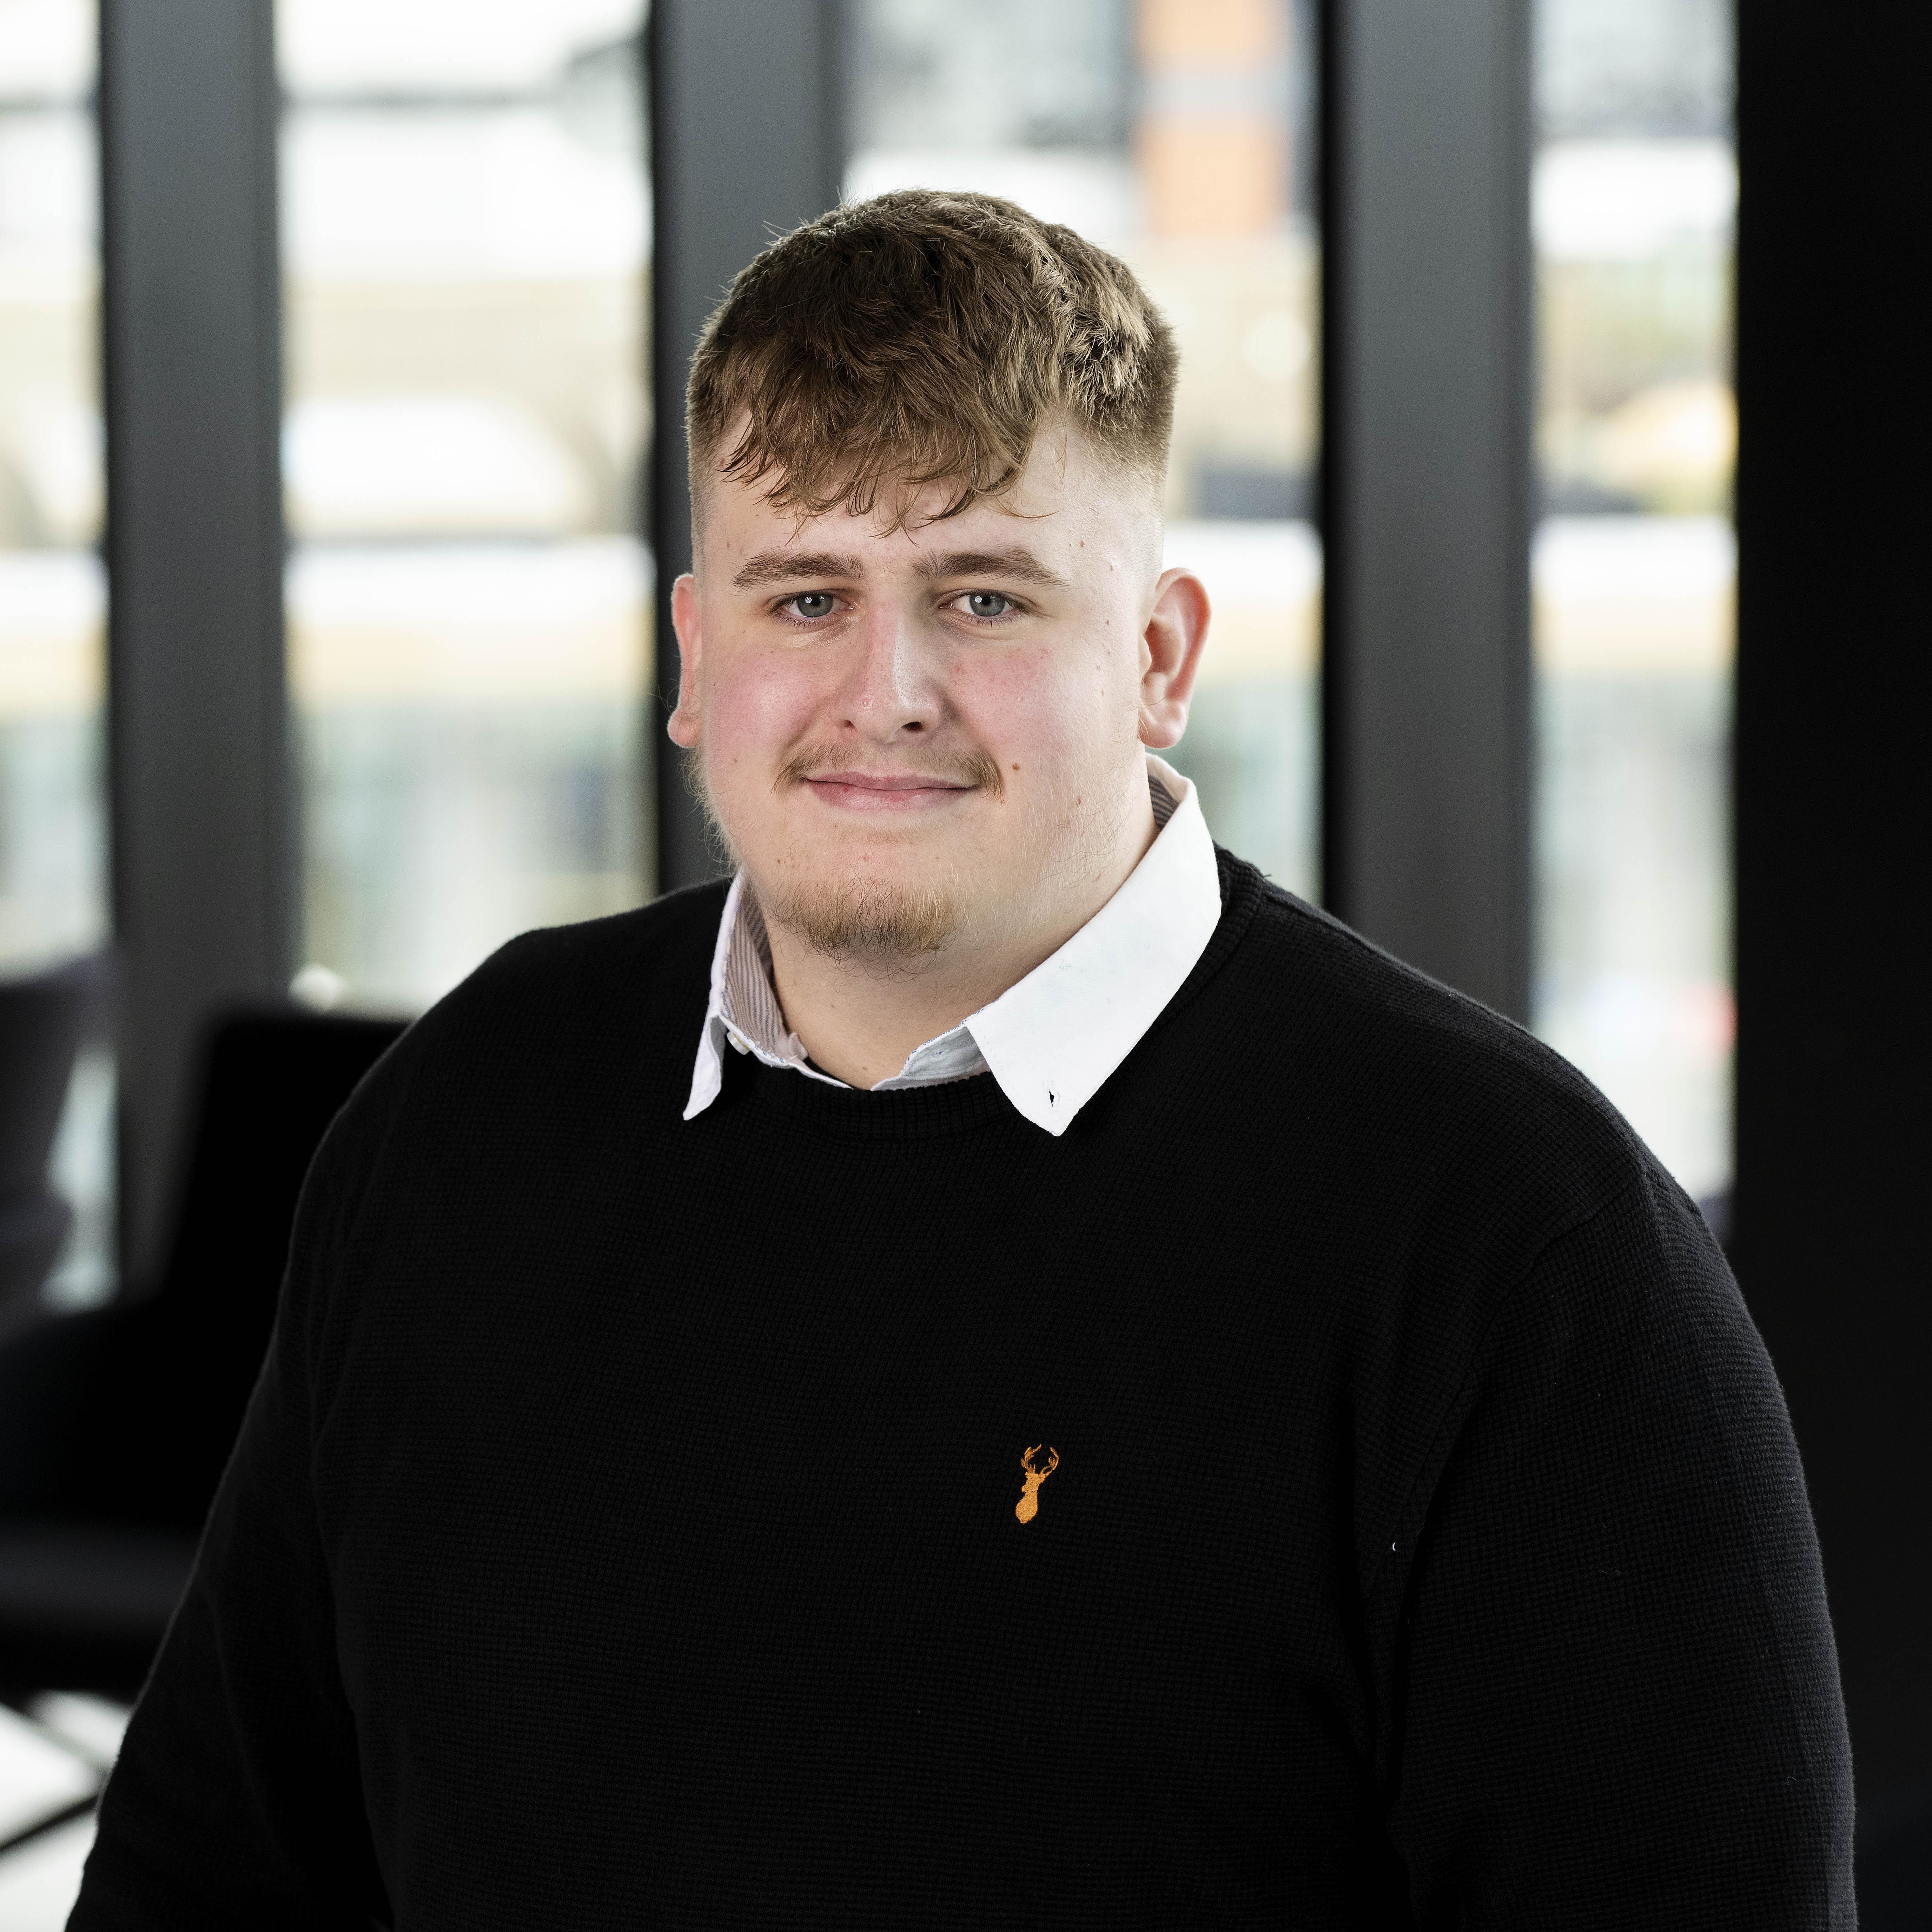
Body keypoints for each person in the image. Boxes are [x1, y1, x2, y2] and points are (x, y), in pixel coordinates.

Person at [72, 190, 1852, 1928]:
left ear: (1156, 656)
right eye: (803, 599)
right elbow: (209, 1874)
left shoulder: (1513, 1245)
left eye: (984, 597)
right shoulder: (464, 1119)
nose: (886, 691)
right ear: (695, 659)